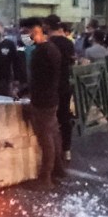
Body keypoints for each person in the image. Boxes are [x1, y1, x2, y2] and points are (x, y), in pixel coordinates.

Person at [21, 17, 66, 189]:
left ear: (35, 31)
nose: (24, 37)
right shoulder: (50, 48)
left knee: (45, 139)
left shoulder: (42, 51)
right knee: (53, 134)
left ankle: (45, 178)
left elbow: (40, 80)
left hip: (43, 101)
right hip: (50, 98)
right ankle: (59, 170)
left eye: (26, 33)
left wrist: (29, 96)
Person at [44, 15, 76, 162]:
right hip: (65, 84)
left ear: (48, 27)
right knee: (65, 117)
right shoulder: (68, 43)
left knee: (49, 120)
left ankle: (52, 153)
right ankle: (66, 150)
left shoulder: (47, 44)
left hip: (50, 86)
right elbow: (71, 63)